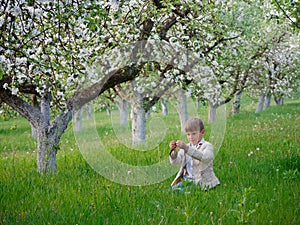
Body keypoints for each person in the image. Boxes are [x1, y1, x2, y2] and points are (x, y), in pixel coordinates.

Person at [169, 117, 220, 190]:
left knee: (182, 192)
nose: (191, 137)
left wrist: (186, 148)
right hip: (186, 180)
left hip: (200, 181)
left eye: (194, 134)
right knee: (171, 190)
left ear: (202, 132)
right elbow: (176, 162)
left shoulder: (207, 146)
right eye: (188, 134)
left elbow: (205, 157)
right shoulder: (186, 147)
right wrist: (174, 153)